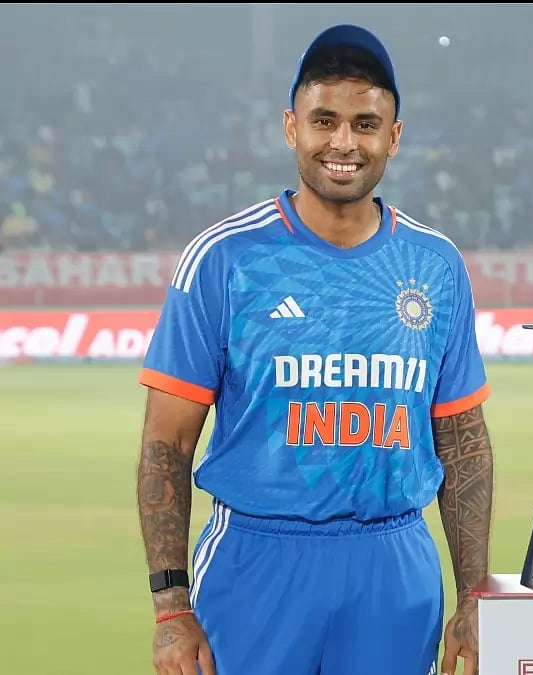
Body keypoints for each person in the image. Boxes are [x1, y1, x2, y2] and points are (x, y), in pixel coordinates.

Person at [135, 24, 494, 675]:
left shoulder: (436, 266)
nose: (343, 142)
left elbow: (463, 442)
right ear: (291, 127)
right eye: (324, 119)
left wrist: (473, 598)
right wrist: (170, 608)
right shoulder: (224, 259)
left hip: (395, 567)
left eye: (365, 123)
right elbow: (166, 443)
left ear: (394, 135)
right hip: (255, 563)